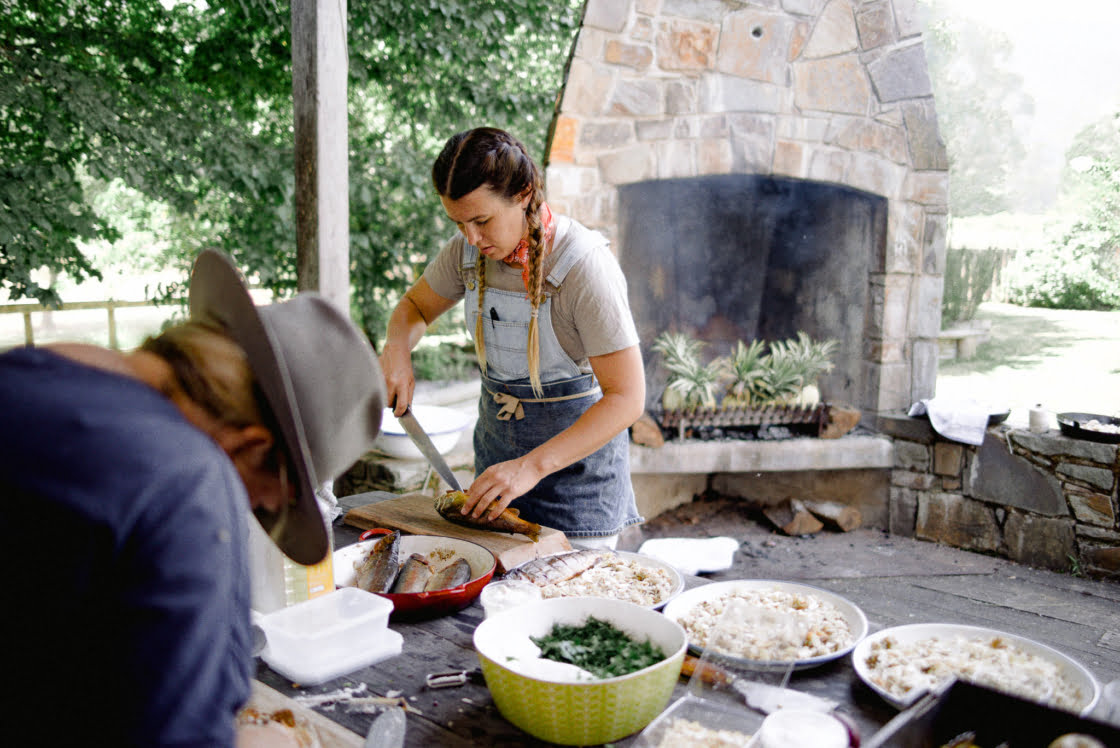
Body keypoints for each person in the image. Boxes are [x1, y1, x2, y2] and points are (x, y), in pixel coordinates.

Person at [0, 250, 386, 747]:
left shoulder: (34, 369)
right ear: (253, 447)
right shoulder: (187, 478)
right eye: (268, 504)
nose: (252, 514)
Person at [379, 127, 645, 548]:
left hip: (578, 492)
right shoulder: (467, 252)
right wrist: (396, 350)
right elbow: (413, 307)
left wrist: (530, 467)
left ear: (523, 194)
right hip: (494, 482)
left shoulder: (583, 267)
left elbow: (627, 398)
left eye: (481, 221)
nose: (471, 238)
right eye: (458, 223)